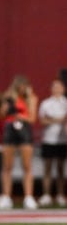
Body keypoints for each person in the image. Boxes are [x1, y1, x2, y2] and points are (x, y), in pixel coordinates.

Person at [0, 75, 38, 209]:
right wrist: (8, 102)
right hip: (10, 130)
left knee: (27, 166)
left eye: (24, 86)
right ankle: (6, 197)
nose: (22, 88)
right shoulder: (9, 98)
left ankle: (28, 197)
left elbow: (32, 118)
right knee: (7, 166)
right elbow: (2, 115)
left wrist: (19, 115)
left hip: (24, 131)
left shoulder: (31, 98)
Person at [37, 78, 67, 206]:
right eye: (54, 86)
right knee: (47, 167)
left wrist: (53, 119)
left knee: (61, 168)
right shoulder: (46, 103)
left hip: (62, 139)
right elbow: (43, 121)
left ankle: (60, 194)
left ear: (63, 88)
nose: (57, 89)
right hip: (49, 139)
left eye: (59, 86)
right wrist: (59, 119)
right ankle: (46, 194)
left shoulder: (66, 102)